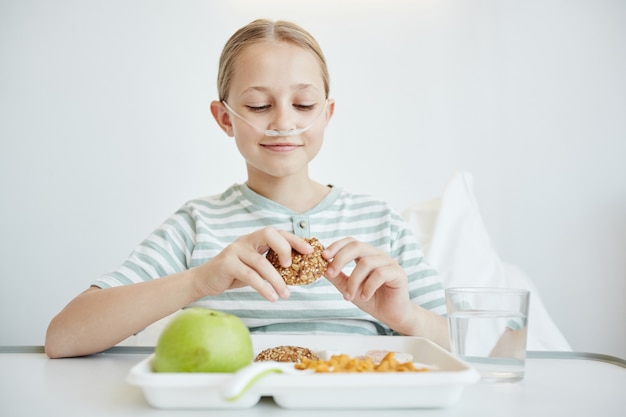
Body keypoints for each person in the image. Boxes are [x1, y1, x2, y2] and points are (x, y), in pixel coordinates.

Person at [45, 19, 448, 359]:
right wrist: (199, 281)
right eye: (258, 106)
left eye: (304, 105)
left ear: (327, 114)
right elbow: (63, 338)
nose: (284, 122)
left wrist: (406, 318)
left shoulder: (379, 222)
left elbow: (469, 346)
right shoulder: (198, 224)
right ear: (224, 118)